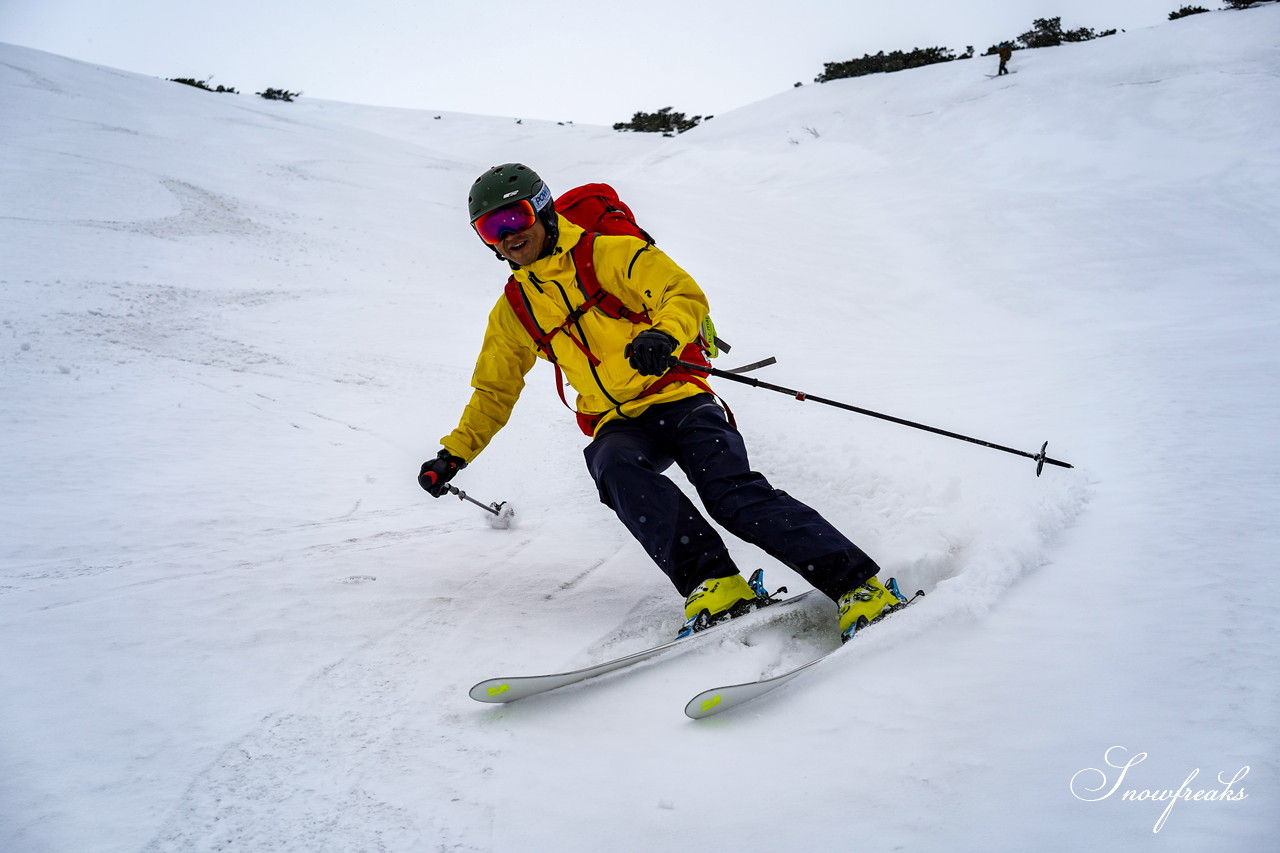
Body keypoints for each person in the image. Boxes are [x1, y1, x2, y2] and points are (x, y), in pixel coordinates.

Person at [419, 163, 904, 640]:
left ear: (542, 211)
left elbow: (682, 294)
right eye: (489, 228)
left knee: (731, 496)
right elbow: (494, 390)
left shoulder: (609, 254)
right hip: (618, 420)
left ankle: (860, 586)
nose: (506, 235)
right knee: (612, 465)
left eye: (515, 217)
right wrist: (453, 454)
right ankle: (715, 583)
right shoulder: (514, 309)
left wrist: (664, 335)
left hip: (678, 396)